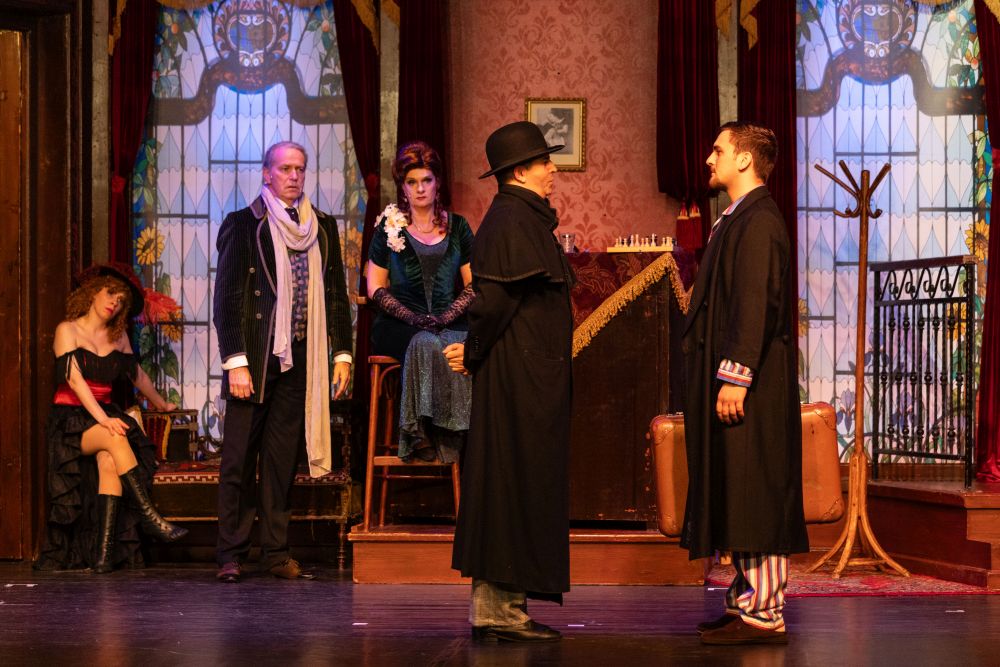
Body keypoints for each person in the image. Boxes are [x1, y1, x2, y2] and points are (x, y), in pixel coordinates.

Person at [444, 121, 574, 643]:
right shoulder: (510, 220)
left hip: (527, 376)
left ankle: (502, 608)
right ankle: (497, 611)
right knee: (507, 481)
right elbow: (493, 302)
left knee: (520, 480)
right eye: (544, 162)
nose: (552, 170)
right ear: (520, 172)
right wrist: (475, 351)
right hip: (515, 380)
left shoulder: (522, 217)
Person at [680, 121, 809, 645]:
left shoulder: (759, 221)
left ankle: (765, 612)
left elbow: (755, 303)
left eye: (718, 150)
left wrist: (736, 376)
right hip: (739, 380)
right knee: (738, 486)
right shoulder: (739, 217)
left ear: (744, 159)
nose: (709, 159)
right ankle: (744, 600)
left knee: (756, 489)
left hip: (753, 385)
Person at [213, 140, 353, 583]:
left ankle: (275, 552)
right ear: (266, 174)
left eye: (300, 169)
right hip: (254, 359)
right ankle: (232, 553)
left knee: (281, 461)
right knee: (239, 459)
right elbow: (228, 299)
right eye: (285, 168)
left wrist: (342, 353)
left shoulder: (322, 226)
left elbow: (335, 295)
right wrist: (235, 361)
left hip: (301, 358)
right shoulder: (244, 224)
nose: (294, 176)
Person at [36, 263, 188, 573]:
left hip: (102, 415)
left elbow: (137, 375)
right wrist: (103, 421)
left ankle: (103, 556)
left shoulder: (118, 337)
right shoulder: (68, 330)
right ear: (94, 292)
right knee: (116, 435)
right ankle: (150, 518)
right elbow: (75, 382)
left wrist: (162, 404)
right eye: (110, 293)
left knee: (108, 461)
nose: (114, 303)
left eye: (120, 300)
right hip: (70, 422)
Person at [367, 141, 474, 463]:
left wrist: (446, 317)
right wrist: (413, 319)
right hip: (398, 325)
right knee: (425, 342)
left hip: (448, 319)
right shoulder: (388, 227)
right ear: (402, 186)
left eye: (426, 180)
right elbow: (374, 288)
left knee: (461, 345)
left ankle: (455, 433)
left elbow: (474, 285)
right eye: (411, 182)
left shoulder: (458, 227)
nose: (420, 188)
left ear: (437, 182)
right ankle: (422, 432)